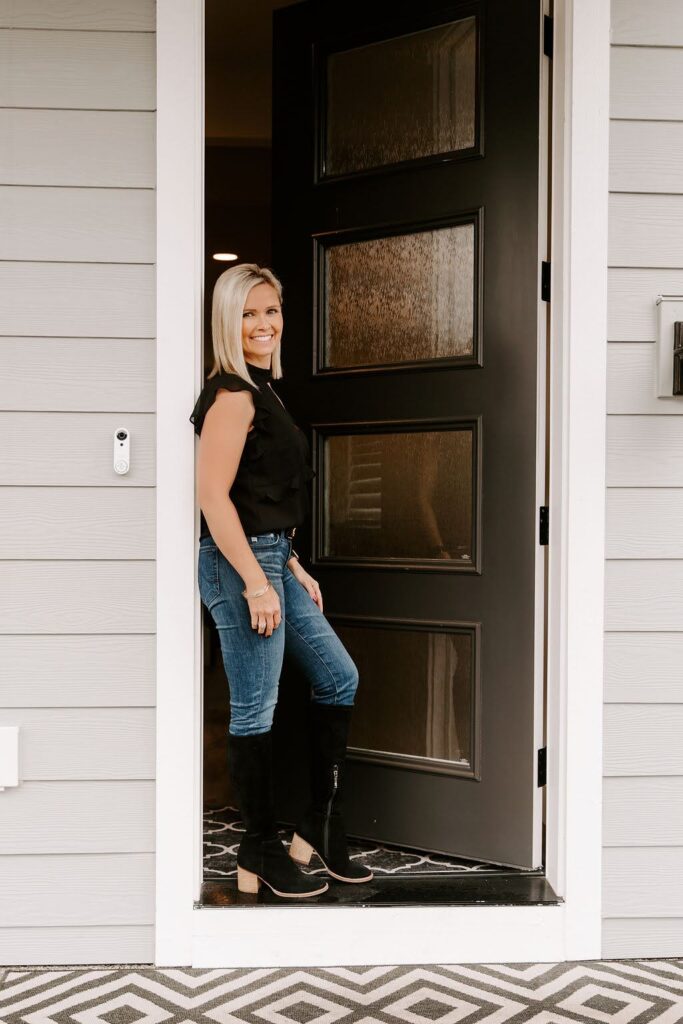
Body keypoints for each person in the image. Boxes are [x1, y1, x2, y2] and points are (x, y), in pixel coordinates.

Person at [189, 262, 373, 899]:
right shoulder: (233, 395)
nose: (263, 324)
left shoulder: (266, 391)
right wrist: (257, 583)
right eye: (248, 313)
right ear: (227, 322)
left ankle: (316, 826)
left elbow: (258, 495)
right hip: (238, 564)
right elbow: (212, 497)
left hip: (270, 558)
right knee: (254, 707)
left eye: (271, 311)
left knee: (337, 675)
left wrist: (289, 566)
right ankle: (258, 851)